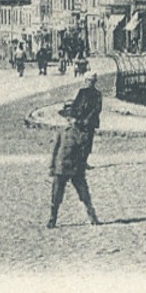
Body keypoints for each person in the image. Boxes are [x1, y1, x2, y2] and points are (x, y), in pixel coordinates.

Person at [48, 73, 103, 228]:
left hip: (76, 167)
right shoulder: (62, 131)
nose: (70, 120)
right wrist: (52, 166)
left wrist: (83, 163)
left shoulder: (82, 133)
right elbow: (55, 150)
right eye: (68, 118)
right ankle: (53, 217)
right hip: (61, 166)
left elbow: (84, 150)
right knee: (56, 194)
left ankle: (92, 215)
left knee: (84, 193)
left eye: (71, 117)